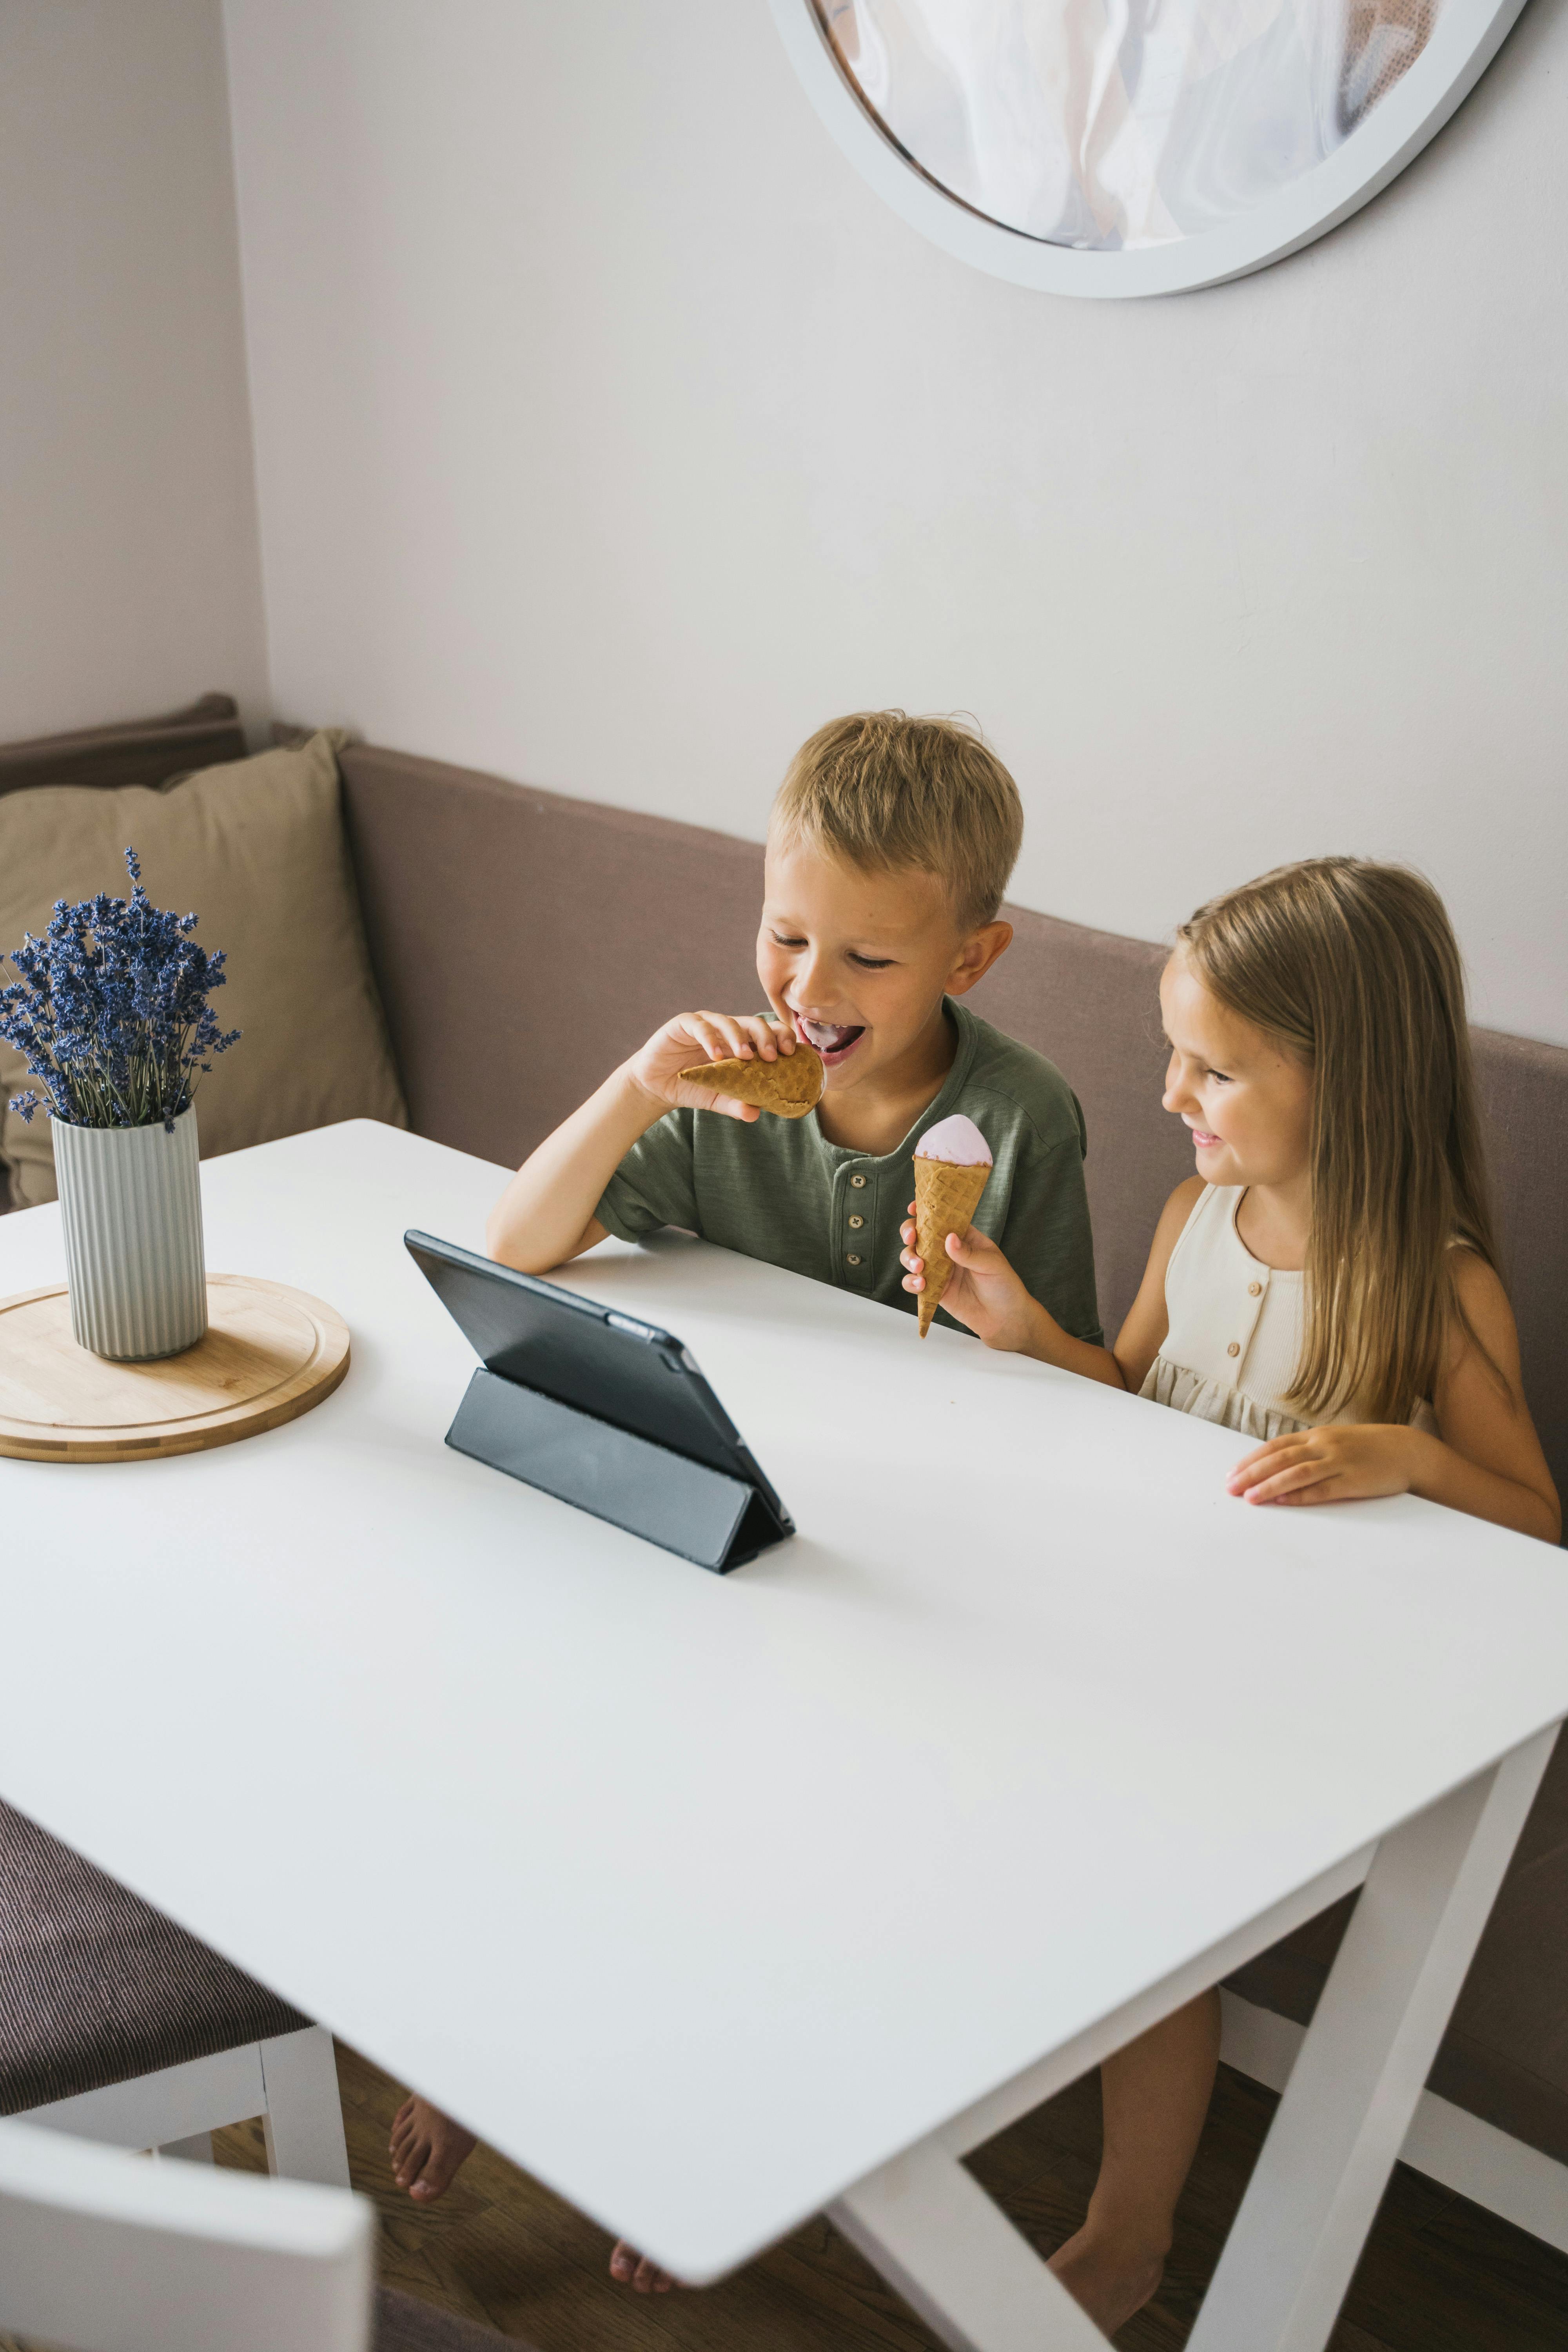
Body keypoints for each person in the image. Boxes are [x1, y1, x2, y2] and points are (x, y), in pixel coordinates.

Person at [391, 709, 1105, 2284]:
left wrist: (1011, 1320)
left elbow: (1076, 1398)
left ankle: (711, 2137)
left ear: (970, 962)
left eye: (868, 960)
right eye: (787, 936)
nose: (807, 990)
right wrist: (641, 1087)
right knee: (534, 1709)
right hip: (720, 1506)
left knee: (786, 1832)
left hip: (901, 1547)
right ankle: (493, 2041)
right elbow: (516, 1247)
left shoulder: (1021, 1121)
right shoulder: (723, 1091)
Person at [898, 854, 1560, 2336]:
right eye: (1172, 1054)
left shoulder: (1434, 1290)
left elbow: (1537, 1527)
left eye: (1213, 1067)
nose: (1171, 1094)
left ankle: (1131, 2233)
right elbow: (1133, 1392)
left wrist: (1412, 1455)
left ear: (1351, 1083)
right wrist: (1025, 1333)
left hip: (1287, 1682)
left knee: (1136, 1879)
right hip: (1150, 1617)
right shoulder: (1203, 1220)